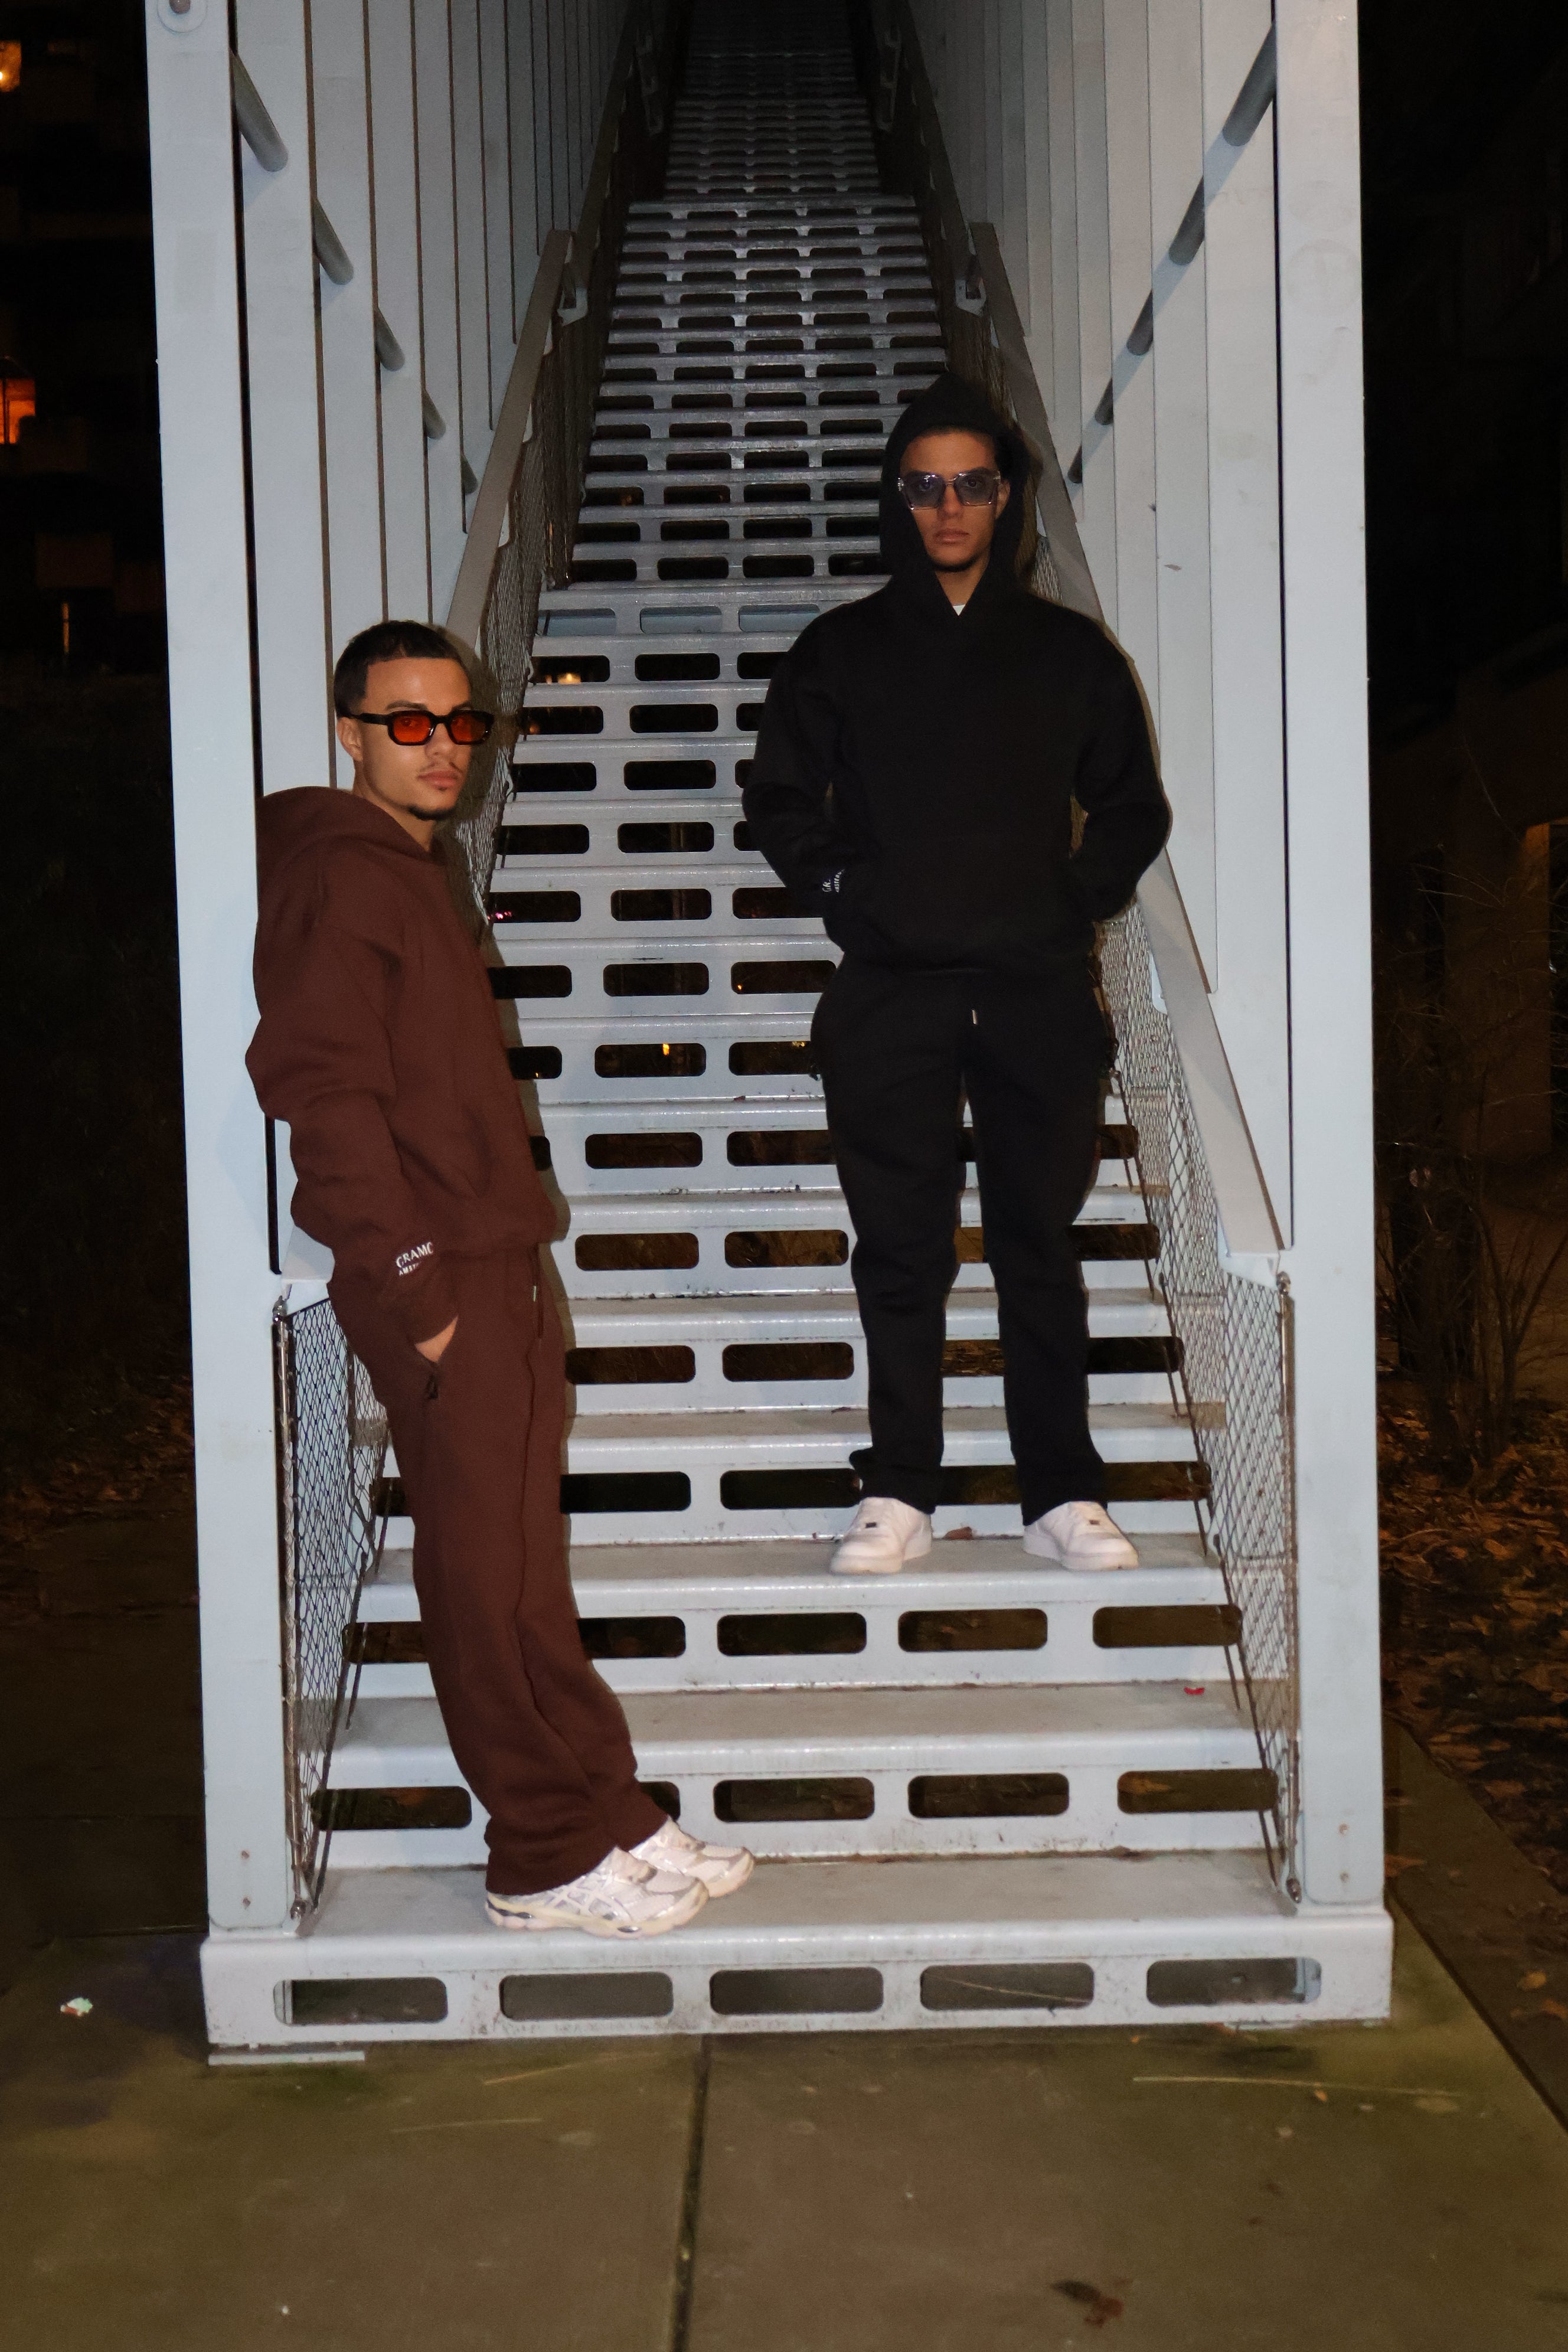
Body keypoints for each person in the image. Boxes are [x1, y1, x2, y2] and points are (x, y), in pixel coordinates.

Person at [246, 619, 753, 1932]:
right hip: (438, 1277)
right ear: (350, 731)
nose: (442, 749)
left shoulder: (413, 871)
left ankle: (608, 1811)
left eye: (461, 724)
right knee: (479, 1579)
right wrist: (415, 1287)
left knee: (524, 1569)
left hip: (496, 1260)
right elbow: (323, 1102)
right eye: (408, 723)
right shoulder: (337, 879)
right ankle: (539, 1856)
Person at [744, 374, 1170, 1577]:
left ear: (1004, 496)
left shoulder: (1067, 655)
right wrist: (846, 888)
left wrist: (1068, 902)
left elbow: (1132, 809)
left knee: (1038, 1243)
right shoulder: (839, 651)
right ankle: (900, 1488)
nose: (947, 507)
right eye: (924, 485)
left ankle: (1061, 1493)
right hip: (891, 992)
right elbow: (777, 798)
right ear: (898, 496)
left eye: (970, 484)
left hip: (1035, 991)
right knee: (899, 1249)